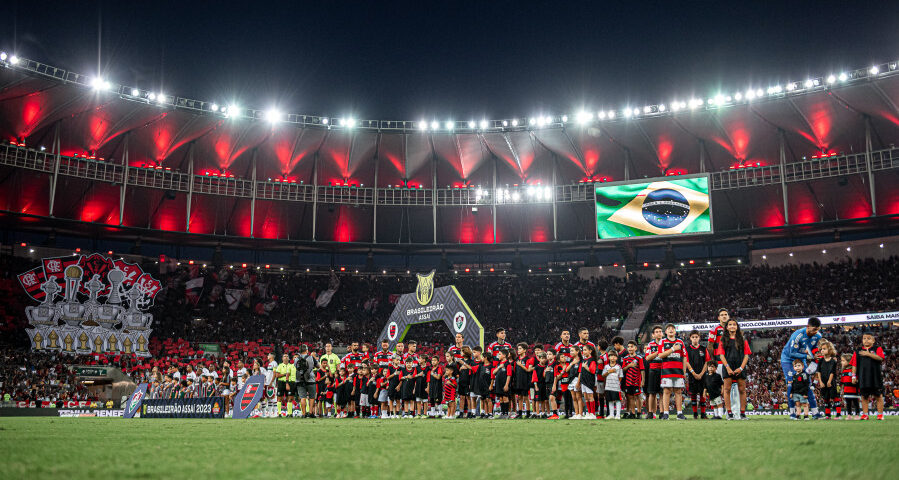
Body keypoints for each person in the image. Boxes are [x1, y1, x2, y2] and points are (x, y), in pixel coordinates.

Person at [780, 317, 823, 419]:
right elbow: (792, 353)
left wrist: (815, 357)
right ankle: (792, 413)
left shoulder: (818, 336)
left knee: (807, 383)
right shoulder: (797, 336)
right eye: (813, 330)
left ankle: (815, 413)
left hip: (802, 358)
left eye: (817, 330)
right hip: (788, 360)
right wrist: (808, 356)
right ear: (808, 327)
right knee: (791, 385)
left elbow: (814, 349)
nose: (815, 332)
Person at [716, 319, 751, 420]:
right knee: (727, 390)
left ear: (737, 327)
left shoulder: (743, 340)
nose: (732, 326)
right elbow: (721, 356)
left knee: (742, 390)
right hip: (728, 367)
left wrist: (741, 368)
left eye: (734, 324)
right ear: (726, 327)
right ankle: (730, 413)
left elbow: (746, 356)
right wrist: (727, 368)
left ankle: (742, 413)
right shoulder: (723, 340)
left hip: (740, 366)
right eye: (730, 324)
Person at [852, 331, 886, 420]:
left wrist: (868, 354)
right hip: (863, 377)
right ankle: (865, 414)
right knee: (864, 396)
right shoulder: (858, 351)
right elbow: (854, 365)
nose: (866, 340)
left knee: (878, 396)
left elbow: (881, 358)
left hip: (875, 377)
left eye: (868, 338)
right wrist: (853, 376)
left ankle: (880, 414)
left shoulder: (877, 348)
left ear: (873, 340)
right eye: (864, 338)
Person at [658, 323, 688, 420]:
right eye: (669, 328)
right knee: (666, 391)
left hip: (678, 371)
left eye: (673, 328)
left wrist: (684, 371)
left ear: (675, 331)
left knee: (678, 391)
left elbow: (684, 357)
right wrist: (672, 349)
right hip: (666, 371)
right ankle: (666, 413)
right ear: (665, 332)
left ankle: (679, 413)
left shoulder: (680, 342)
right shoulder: (662, 342)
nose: (671, 330)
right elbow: (660, 355)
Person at [686, 330, 710, 419]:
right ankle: (695, 414)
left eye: (696, 337)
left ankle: (703, 414)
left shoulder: (704, 349)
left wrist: (701, 373)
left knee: (702, 394)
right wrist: (694, 373)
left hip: (702, 375)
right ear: (690, 338)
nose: (695, 339)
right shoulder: (687, 349)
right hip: (692, 375)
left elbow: (707, 362)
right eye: (693, 337)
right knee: (693, 394)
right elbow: (686, 362)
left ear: (699, 338)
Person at [643, 325, 664, 418]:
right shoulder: (650, 345)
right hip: (653, 370)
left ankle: (663, 413)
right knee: (652, 392)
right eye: (657, 332)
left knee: (662, 393)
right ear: (653, 335)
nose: (659, 333)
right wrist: (658, 352)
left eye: (660, 331)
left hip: (664, 370)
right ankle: (650, 412)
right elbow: (647, 358)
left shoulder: (666, 343)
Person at [815, 340, 839, 419]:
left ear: (830, 350)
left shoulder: (833, 361)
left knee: (834, 397)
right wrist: (820, 382)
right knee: (826, 398)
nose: (822, 350)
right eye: (821, 349)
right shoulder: (821, 361)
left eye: (824, 349)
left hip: (831, 381)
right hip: (823, 381)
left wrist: (829, 381)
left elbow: (832, 372)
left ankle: (838, 414)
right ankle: (828, 415)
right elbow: (818, 371)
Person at [621, 340, 645, 419]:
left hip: (636, 381)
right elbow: (623, 369)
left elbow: (642, 370)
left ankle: (639, 412)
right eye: (628, 347)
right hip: (628, 381)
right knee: (630, 397)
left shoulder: (639, 358)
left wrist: (643, 380)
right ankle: (633, 413)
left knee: (637, 397)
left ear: (635, 348)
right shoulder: (625, 358)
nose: (630, 348)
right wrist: (629, 365)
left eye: (631, 347)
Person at [295, 345, 319, 418]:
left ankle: (303, 414)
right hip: (310, 379)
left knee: (303, 397)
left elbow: (296, 367)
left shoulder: (296, 359)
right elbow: (318, 366)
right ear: (307, 350)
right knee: (312, 397)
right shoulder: (311, 358)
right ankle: (311, 413)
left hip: (300, 380)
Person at [513, 343, 534, 418]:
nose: (518, 350)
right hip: (518, 381)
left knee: (526, 397)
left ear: (524, 350)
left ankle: (528, 413)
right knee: (519, 397)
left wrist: (521, 365)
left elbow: (528, 370)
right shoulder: (517, 359)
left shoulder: (527, 359)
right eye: (518, 348)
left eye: (520, 348)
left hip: (525, 381)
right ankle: (520, 413)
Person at [490, 349, 513, 418]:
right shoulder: (499, 364)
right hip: (498, 384)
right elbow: (494, 372)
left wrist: (506, 385)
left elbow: (509, 375)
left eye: (499, 354)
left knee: (505, 397)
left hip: (504, 383)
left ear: (504, 355)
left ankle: (506, 413)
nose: (498, 355)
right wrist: (499, 367)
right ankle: (502, 413)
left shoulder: (507, 364)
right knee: (500, 398)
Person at [578, 345, 599, 419]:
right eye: (583, 350)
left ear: (590, 351)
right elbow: (581, 371)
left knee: (590, 397)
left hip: (589, 381)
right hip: (583, 381)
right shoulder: (583, 360)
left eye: (585, 350)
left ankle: (593, 413)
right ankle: (588, 413)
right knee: (586, 397)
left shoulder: (592, 360)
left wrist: (586, 367)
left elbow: (593, 371)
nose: (584, 351)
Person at [602, 350, 623, 420]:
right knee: (610, 400)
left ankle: (618, 415)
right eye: (611, 356)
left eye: (614, 356)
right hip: (608, 387)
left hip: (616, 387)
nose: (613, 357)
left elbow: (620, 376)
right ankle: (611, 414)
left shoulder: (618, 367)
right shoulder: (606, 366)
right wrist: (609, 371)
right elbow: (603, 375)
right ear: (609, 357)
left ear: (617, 358)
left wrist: (617, 383)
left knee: (617, 400)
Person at [274, 353, 296, 417]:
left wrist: (285, 375)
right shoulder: (280, 366)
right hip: (281, 382)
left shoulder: (291, 366)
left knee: (288, 398)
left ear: (289, 358)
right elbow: (277, 375)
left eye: (287, 356)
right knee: (279, 398)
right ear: (282, 358)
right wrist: (285, 374)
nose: (286, 357)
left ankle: (289, 413)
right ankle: (279, 413)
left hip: (288, 383)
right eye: (284, 356)